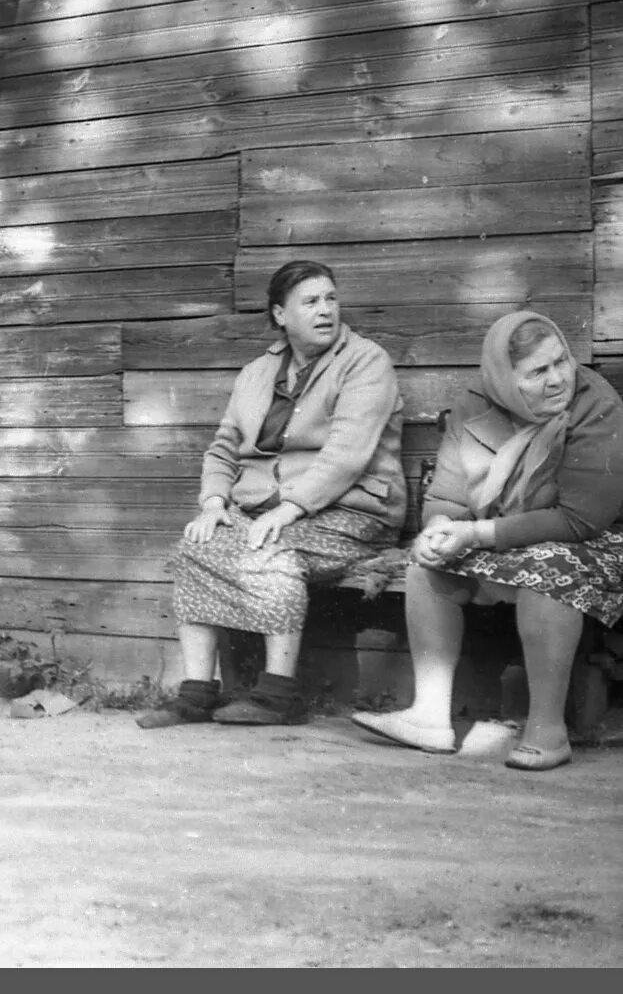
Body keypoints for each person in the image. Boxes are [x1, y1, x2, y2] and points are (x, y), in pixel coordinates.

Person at [352, 312, 623, 771]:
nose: (558, 378)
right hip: (503, 534)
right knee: (427, 566)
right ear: (504, 379)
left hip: (597, 538)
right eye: (537, 372)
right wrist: (437, 531)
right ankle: (429, 717)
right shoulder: (475, 405)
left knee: (549, 565)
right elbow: (449, 497)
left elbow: (581, 519)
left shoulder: (595, 403)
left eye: (560, 362)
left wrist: (474, 533)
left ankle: (547, 730)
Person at [140, 260, 406, 728]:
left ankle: (279, 694)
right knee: (193, 547)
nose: (326, 310)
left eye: (331, 298)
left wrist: (286, 511)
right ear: (281, 315)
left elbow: (346, 456)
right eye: (311, 302)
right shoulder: (257, 374)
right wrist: (213, 504)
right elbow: (223, 449)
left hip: (355, 511)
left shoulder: (366, 362)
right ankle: (198, 693)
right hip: (271, 511)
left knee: (268, 549)